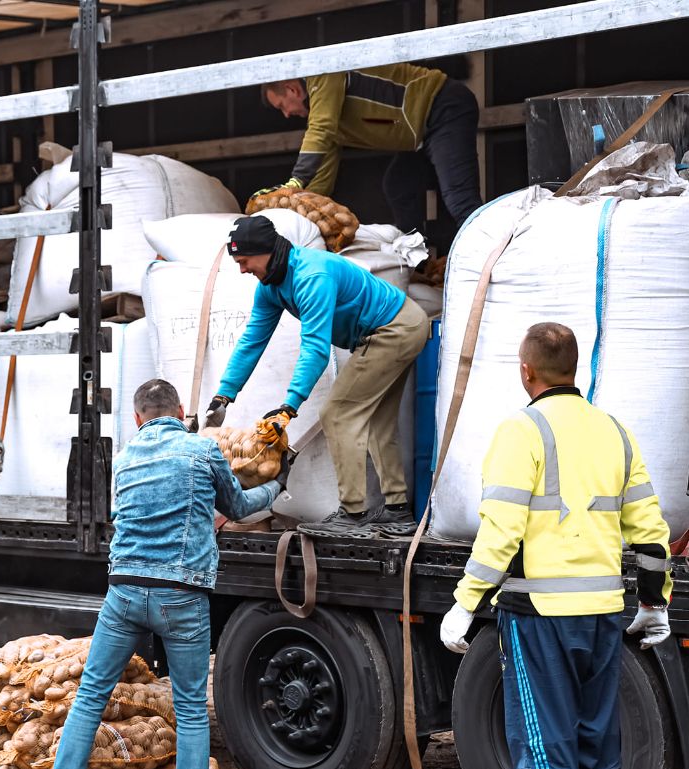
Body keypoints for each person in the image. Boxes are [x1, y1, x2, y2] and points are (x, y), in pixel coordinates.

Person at [439, 322, 673, 769]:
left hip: (539, 617)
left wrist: (465, 602)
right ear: (575, 370)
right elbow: (650, 529)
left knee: (548, 759)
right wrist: (654, 603)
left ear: (526, 371)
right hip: (603, 617)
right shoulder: (614, 431)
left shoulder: (521, 431)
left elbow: (501, 531)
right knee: (597, 755)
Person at [24, 378, 289, 769]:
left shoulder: (124, 460)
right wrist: (276, 484)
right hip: (181, 597)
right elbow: (238, 505)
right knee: (189, 709)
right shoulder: (201, 451)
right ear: (181, 410)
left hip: (123, 593)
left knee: (88, 699)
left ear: (138, 417)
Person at [206, 215, 428, 534]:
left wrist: (288, 408)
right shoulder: (270, 287)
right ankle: (396, 511)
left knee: (337, 413)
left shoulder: (311, 274)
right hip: (389, 330)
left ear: (266, 251)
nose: (242, 269)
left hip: (395, 329)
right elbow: (252, 341)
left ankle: (353, 514)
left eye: (244, 261)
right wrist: (224, 394)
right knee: (378, 421)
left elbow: (315, 349)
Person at [256, 63, 483, 233]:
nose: (286, 114)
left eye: (281, 106)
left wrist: (295, 182)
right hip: (423, 134)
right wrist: (301, 206)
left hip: (441, 106)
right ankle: (418, 261)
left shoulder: (323, 73)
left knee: (460, 199)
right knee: (399, 186)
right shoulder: (329, 117)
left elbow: (320, 130)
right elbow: (322, 179)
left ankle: (488, 262)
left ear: (292, 89)